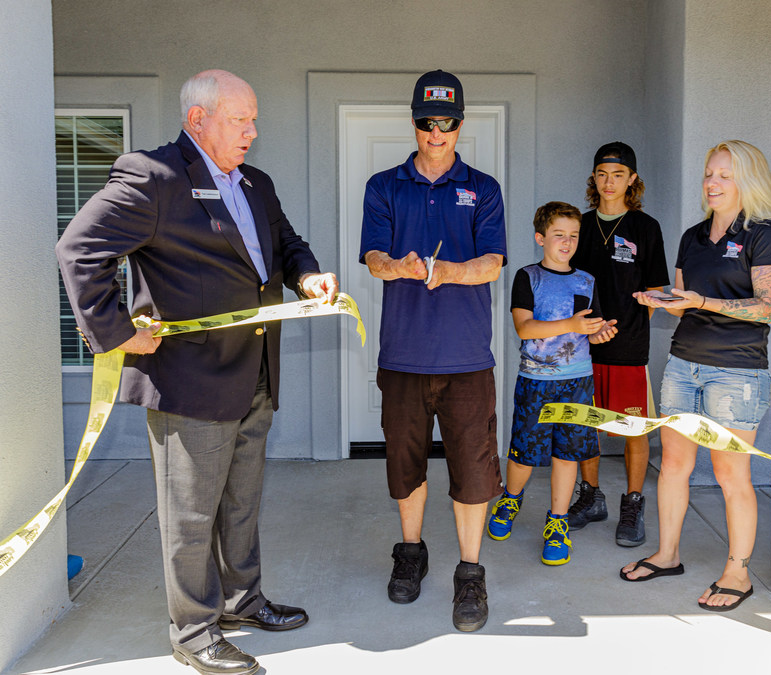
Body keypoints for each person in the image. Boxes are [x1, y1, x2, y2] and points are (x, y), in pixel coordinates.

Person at [57, 70, 338, 675]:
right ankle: (193, 631)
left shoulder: (255, 183)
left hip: (256, 370)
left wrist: (308, 275)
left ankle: (241, 601)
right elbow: (79, 250)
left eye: (253, 119)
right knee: (189, 514)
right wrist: (116, 331)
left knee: (242, 502)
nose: (252, 132)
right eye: (241, 121)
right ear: (198, 120)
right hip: (190, 380)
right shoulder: (153, 177)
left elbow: (285, 245)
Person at [360, 69, 506, 632]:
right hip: (403, 357)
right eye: (426, 122)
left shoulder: (484, 188)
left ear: (460, 124)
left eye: (446, 122)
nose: (436, 132)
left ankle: (470, 574)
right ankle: (411, 553)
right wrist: (399, 266)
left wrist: (445, 271)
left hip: (468, 358)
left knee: (473, 471)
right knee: (405, 462)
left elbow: (492, 261)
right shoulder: (384, 186)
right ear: (415, 123)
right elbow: (373, 257)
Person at [620, 140, 771, 613]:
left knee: (730, 473)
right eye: (708, 174)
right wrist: (664, 299)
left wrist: (701, 302)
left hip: (736, 372)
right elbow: (684, 297)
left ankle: (738, 573)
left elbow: (770, 309)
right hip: (682, 364)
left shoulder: (766, 233)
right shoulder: (693, 236)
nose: (712, 183)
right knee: (673, 465)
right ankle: (667, 554)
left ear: (747, 181)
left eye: (724, 175)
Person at [486, 202, 618, 565]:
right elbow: (525, 328)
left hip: (577, 381)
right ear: (540, 238)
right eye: (559, 234)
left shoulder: (587, 281)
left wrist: (600, 333)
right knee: (525, 453)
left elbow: (589, 328)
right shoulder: (528, 277)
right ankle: (511, 497)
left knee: (568, 453)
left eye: (574, 235)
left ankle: (557, 522)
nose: (567, 242)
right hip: (536, 382)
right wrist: (572, 326)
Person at [568, 142, 669, 546]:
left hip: (628, 348)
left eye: (618, 175)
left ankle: (633, 502)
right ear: (594, 178)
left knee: (633, 430)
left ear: (633, 180)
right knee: (585, 426)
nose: (609, 182)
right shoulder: (579, 224)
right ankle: (591, 497)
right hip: (581, 345)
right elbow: (567, 282)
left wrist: (623, 329)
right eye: (602, 174)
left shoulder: (646, 228)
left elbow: (656, 291)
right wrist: (588, 330)